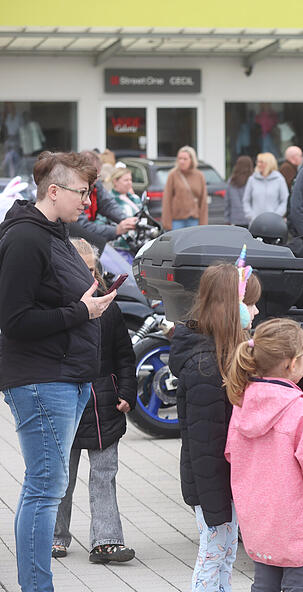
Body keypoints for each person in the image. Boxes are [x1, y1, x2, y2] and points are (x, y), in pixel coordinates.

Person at [0, 151, 117, 592]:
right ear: (54, 191)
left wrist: (89, 302)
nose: (87, 203)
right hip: (41, 379)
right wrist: (80, 312)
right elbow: (14, 320)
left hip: (64, 377)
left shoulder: (53, 233)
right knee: (45, 489)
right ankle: (36, 586)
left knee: (45, 486)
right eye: (82, 192)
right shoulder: (27, 239)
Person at [224, 318, 303, 592]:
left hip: (257, 517)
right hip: (296, 522)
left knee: (264, 582)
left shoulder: (242, 404)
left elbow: (232, 453)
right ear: (292, 364)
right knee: (298, 585)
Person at [169, 263, 261, 592]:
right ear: (228, 307)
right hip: (214, 488)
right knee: (214, 554)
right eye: (249, 303)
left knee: (224, 554)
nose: (256, 309)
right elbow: (204, 448)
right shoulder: (206, 368)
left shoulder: (224, 356)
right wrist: (216, 507)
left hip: (226, 484)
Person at [52, 239, 136, 565]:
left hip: (104, 405)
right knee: (61, 477)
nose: (89, 276)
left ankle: (107, 540)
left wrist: (127, 392)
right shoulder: (56, 309)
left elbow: (124, 357)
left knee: (104, 475)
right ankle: (56, 537)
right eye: (81, 269)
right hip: (65, 404)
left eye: (92, 269)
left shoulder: (109, 308)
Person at [68, 150, 138, 253]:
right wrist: (116, 230)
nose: (88, 202)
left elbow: (107, 204)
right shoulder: (72, 191)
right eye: (93, 176)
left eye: (98, 176)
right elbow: (81, 226)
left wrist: (126, 220)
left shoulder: (96, 185)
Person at [102, 167, 143, 265]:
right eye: (126, 180)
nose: (129, 183)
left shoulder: (135, 198)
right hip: (119, 248)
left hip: (139, 247)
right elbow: (101, 223)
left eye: (130, 180)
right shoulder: (108, 200)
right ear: (115, 181)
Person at [161, 145, 207, 230]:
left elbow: (203, 201)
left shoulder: (199, 176)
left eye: (185, 159)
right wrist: (166, 222)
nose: (182, 161)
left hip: (194, 220)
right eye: (180, 158)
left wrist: (203, 223)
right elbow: (167, 199)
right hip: (177, 220)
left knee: (193, 243)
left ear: (191, 160)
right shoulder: (173, 175)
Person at [243, 152, 289, 222]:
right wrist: (251, 215)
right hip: (255, 223)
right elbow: (246, 200)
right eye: (257, 162)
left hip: (274, 223)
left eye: (261, 162)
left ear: (269, 163)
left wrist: (276, 216)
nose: (258, 164)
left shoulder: (279, 179)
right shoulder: (252, 179)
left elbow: (285, 201)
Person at [225, 155, 253, 226]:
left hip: (235, 219)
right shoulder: (252, 181)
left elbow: (227, 202)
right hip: (250, 219)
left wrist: (227, 219)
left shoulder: (231, 181)